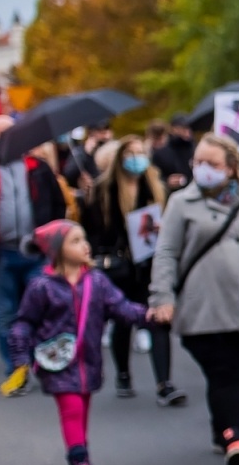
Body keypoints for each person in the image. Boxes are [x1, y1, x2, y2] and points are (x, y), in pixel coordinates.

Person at [150, 134, 239, 465]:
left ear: (232, 168)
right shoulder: (181, 203)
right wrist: (162, 297)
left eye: (213, 163)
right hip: (203, 308)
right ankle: (237, 439)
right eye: (199, 162)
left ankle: (223, 429)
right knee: (225, 372)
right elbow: (166, 252)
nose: (203, 169)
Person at [7, 220, 154, 465]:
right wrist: (20, 356)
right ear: (57, 251)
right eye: (75, 241)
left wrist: (149, 316)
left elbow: (121, 307)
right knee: (72, 407)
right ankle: (79, 459)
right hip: (57, 363)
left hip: (88, 361)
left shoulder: (97, 281)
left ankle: (79, 452)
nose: (85, 246)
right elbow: (23, 322)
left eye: (84, 239)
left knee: (82, 407)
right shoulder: (42, 286)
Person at [0, 115, 69, 388]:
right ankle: (17, 369)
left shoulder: (38, 168)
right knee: (6, 315)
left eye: (7, 133)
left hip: (35, 252)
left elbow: (57, 204)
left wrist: (55, 241)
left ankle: (44, 363)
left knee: (41, 309)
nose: (1, 139)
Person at [79, 135, 185, 407]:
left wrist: (162, 229)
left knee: (158, 318)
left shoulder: (156, 188)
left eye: (140, 153)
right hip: (119, 268)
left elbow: (172, 223)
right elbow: (92, 230)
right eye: (130, 154)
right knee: (123, 320)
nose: (136, 159)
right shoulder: (103, 190)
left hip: (150, 265)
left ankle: (164, 383)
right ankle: (123, 374)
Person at [151, 114, 196, 191]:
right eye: (182, 128)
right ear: (173, 129)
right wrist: (167, 182)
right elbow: (154, 178)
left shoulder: (196, 149)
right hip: (172, 193)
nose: (186, 131)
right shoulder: (160, 154)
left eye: (188, 127)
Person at [64, 123, 112, 192]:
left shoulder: (112, 148)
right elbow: (69, 172)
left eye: (107, 130)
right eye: (101, 132)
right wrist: (86, 153)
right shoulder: (80, 151)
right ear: (91, 133)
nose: (106, 135)